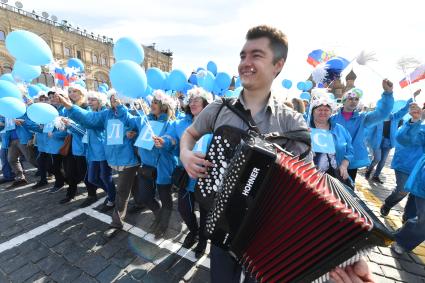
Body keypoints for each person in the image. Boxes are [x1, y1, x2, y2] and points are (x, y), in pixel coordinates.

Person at [180, 25, 371, 283]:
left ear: (277, 65)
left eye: (256, 55)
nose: (245, 63)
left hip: (265, 233)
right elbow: (190, 134)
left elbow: (308, 187)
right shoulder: (219, 108)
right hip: (220, 218)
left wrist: (338, 246)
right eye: (242, 55)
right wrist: (186, 155)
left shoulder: (293, 122)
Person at [115, 90, 177, 239]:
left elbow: (172, 139)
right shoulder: (144, 119)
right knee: (144, 197)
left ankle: (163, 225)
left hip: (163, 167)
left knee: (165, 198)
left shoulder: (171, 123)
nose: (152, 105)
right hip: (146, 166)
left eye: (156, 102)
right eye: (152, 102)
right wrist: (131, 132)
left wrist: (164, 142)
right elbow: (130, 120)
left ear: (163, 106)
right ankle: (158, 214)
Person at [159, 86, 212, 257]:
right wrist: (164, 141)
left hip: (207, 177)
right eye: (191, 100)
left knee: (205, 214)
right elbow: (170, 138)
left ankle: (203, 239)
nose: (193, 103)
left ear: (205, 103)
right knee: (183, 209)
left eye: (197, 100)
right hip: (186, 176)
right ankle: (193, 231)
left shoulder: (215, 123)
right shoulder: (180, 123)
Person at [331, 84, 394, 182]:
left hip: (352, 159)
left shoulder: (363, 118)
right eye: (350, 99)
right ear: (344, 101)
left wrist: (388, 94)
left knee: (348, 188)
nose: (354, 101)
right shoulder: (332, 119)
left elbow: (382, 113)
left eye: (356, 99)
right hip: (334, 158)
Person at [380, 101, 424, 220]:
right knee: (402, 191)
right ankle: (388, 204)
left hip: (421, 170)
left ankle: (407, 219)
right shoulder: (411, 124)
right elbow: (402, 138)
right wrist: (415, 121)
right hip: (405, 165)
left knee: (416, 195)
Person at [390, 102, 425, 254]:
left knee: (415, 213)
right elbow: (404, 139)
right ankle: (402, 240)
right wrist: (414, 122)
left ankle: (407, 227)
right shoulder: (422, 128)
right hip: (421, 180)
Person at [365, 90, 420, 183]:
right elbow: (368, 129)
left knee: (383, 161)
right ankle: (369, 170)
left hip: (388, 141)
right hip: (376, 141)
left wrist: (413, 97)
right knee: (377, 159)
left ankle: (376, 176)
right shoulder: (377, 118)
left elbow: (404, 109)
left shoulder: (394, 117)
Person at [309, 92, 353, 184]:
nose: (323, 112)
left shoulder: (340, 129)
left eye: (326, 110)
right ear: (313, 111)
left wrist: (344, 165)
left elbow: (350, 150)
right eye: (319, 109)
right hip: (309, 175)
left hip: (334, 175)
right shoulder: (305, 128)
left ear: (331, 112)